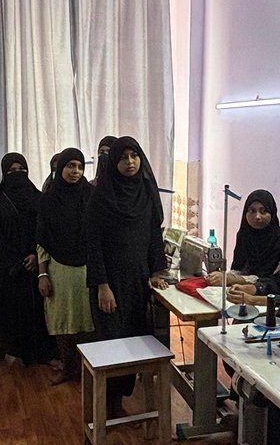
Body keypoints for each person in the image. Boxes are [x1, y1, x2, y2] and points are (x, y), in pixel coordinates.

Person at [85, 137, 169, 413]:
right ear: (114, 162)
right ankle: (108, 404)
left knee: (133, 339)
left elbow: (153, 235)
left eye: (134, 156)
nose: (130, 162)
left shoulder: (146, 192)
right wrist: (102, 284)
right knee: (112, 342)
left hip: (137, 281)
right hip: (109, 283)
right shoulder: (101, 196)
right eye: (123, 157)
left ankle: (120, 398)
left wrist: (156, 271)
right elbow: (93, 243)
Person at [0, 153, 56, 367]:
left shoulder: (38, 198)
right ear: (4, 173)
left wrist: (36, 256)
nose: (18, 174)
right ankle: (14, 352)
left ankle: (42, 354)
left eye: (22, 170)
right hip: (10, 270)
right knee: (13, 313)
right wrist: (17, 262)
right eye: (12, 171)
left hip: (38, 267)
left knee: (39, 313)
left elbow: (45, 231)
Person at [36, 148, 96, 385]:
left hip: (87, 269)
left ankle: (87, 370)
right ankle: (69, 367)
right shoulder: (48, 199)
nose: (75, 171)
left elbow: (99, 235)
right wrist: (42, 274)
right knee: (62, 321)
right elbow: (41, 240)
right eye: (70, 166)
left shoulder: (91, 195)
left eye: (80, 167)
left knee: (87, 321)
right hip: (58, 270)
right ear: (60, 168)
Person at [207, 189, 280, 287]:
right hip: (245, 287)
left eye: (263, 211)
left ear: (272, 213)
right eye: (252, 211)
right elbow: (239, 268)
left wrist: (230, 279)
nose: (257, 216)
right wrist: (222, 276)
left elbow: (268, 277)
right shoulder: (244, 234)